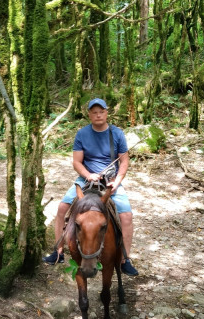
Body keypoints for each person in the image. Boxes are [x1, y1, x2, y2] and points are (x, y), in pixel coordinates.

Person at [43, 98, 138, 276]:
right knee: (62, 208)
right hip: (86, 179)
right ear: (89, 115)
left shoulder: (116, 134)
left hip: (110, 180)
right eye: (94, 112)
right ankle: (58, 251)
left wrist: (116, 182)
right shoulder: (82, 134)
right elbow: (77, 162)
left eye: (101, 111)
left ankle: (125, 259)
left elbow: (124, 161)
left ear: (106, 113)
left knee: (126, 215)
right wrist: (88, 175)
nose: (98, 114)